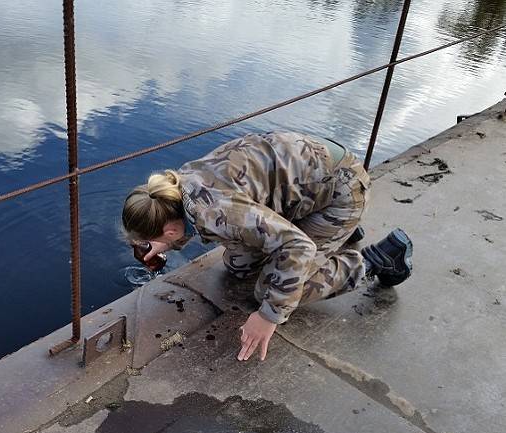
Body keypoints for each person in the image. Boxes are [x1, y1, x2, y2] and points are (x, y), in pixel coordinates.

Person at [122, 131, 413, 362]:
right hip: (315, 175)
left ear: (170, 229)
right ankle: (332, 230)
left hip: (343, 191)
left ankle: (376, 260)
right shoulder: (181, 184)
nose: (150, 248)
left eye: (149, 241)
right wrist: (166, 244)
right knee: (239, 264)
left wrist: (267, 317)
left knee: (269, 291)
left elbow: (297, 248)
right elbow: (232, 214)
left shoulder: (216, 214)